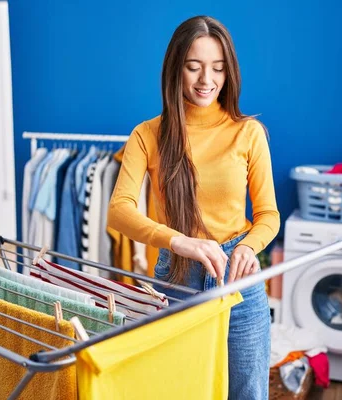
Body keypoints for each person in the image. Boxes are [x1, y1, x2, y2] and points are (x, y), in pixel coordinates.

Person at [107, 15, 280, 399]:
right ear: (175, 69)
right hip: (177, 278)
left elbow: (268, 214)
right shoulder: (147, 134)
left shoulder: (247, 132)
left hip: (238, 280)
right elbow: (119, 210)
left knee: (247, 393)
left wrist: (249, 248)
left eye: (218, 68)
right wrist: (179, 242)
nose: (207, 80)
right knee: (179, 391)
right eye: (194, 67)